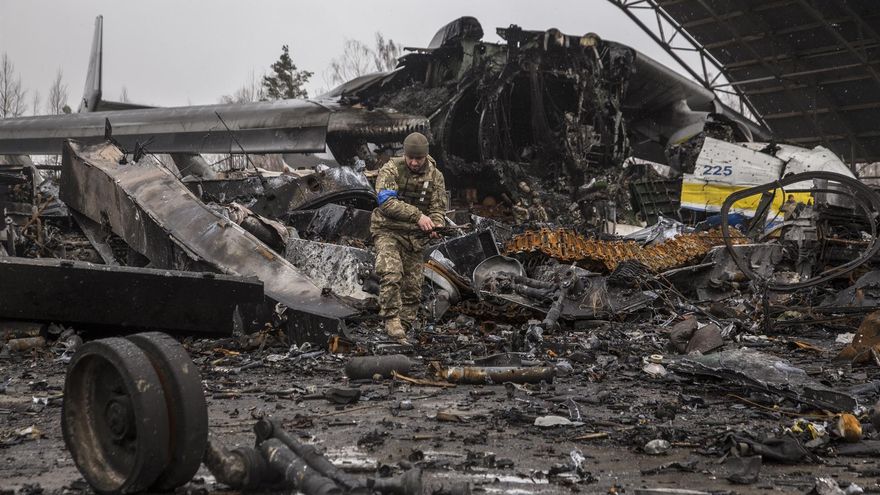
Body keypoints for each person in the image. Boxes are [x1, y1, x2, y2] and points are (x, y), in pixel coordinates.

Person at [371, 132, 447, 341]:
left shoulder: (435, 176)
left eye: (419, 159)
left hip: (415, 237)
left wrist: (435, 225)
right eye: (410, 158)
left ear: (426, 156)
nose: (414, 162)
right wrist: (418, 216)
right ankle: (391, 320)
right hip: (389, 230)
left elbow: (438, 208)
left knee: (413, 288)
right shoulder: (391, 169)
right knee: (391, 273)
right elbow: (386, 203)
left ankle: (402, 328)